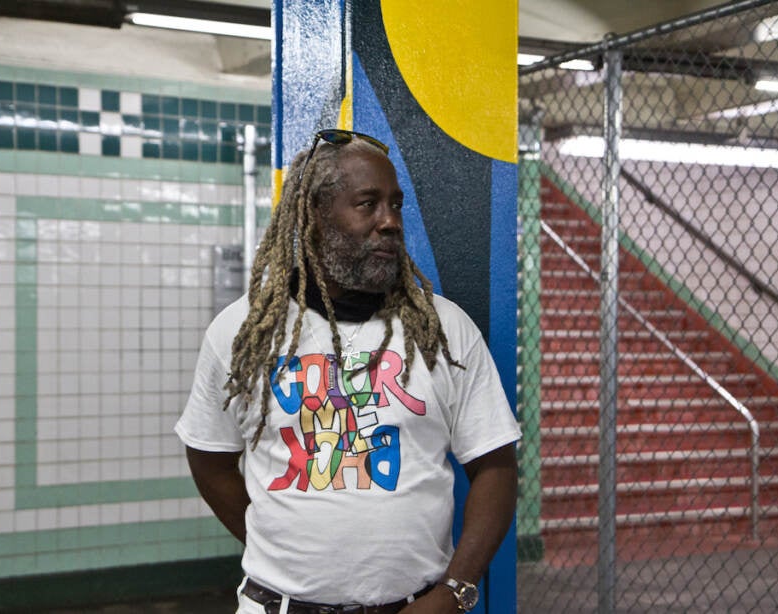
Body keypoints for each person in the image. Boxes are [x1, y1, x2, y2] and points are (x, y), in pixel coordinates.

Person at [175, 129, 520, 614]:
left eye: (395, 205)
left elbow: (496, 467)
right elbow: (209, 458)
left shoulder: (444, 329)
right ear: (314, 216)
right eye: (368, 204)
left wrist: (454, 591)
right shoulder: (243, 331)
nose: (390, 222)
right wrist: (278, 537)